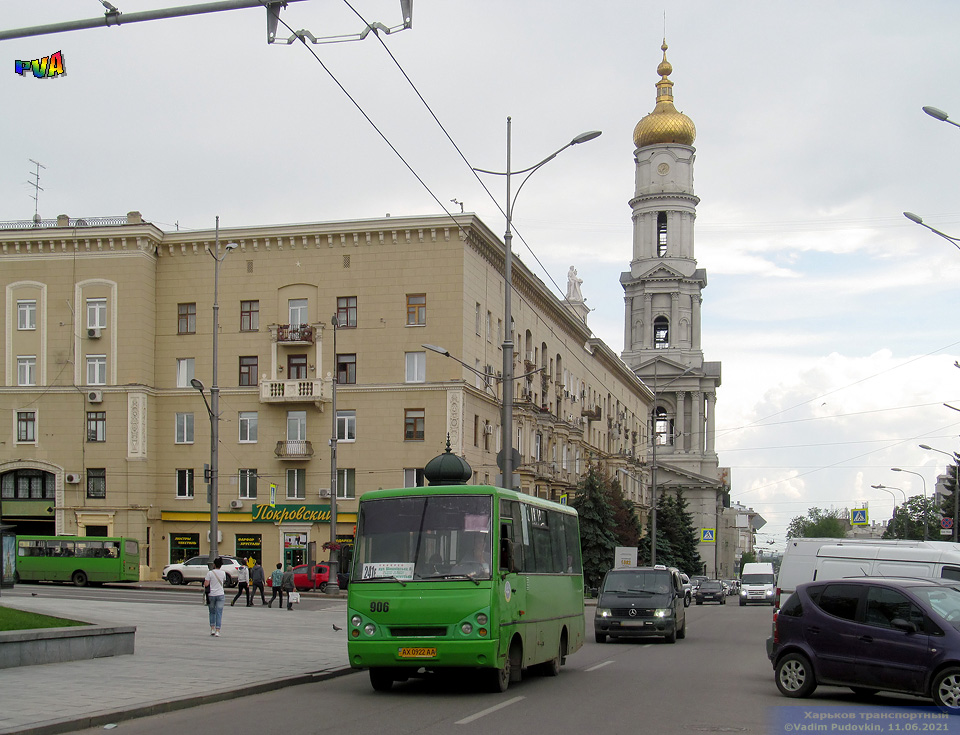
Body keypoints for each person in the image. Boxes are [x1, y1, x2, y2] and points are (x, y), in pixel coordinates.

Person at [204, 557, 227, 636]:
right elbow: (223, 581)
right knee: (219, 612)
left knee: (212, 612)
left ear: (214, 564)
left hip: (211, 594)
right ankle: (218, 630)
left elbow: (206, 584)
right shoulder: (223, 573)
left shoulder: (210, 573)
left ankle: (212, 629)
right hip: (220, 594)